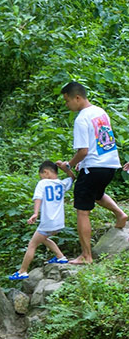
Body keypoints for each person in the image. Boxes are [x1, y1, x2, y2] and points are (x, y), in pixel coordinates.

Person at [61, 82, 126, 265]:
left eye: (67, 101)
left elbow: (83, 150)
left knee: (82, 210)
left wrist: (69, 164)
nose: (67, 105)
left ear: (77, 98)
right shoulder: (100, 112)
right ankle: (120, 214)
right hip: (111, 164)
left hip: (94, 166)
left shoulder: (81, 119)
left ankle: (86, 256)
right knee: (97, 194)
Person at [11, 161, 72, 280]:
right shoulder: (62, 183)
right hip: (59, 223)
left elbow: (38, 198)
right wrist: (66, 168)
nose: (41, 177)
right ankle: (60, 257)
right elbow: (72, 178)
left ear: (46, 172)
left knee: (32, 244)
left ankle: (22, 271)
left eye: (41, 175)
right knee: (43, 238)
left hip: (48, 221)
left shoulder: (42, 183)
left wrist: (35, 213)